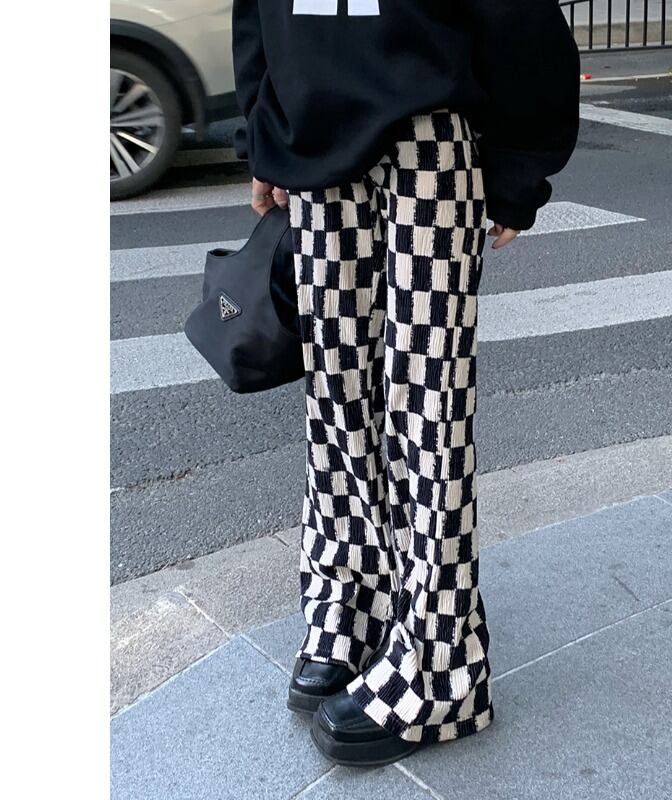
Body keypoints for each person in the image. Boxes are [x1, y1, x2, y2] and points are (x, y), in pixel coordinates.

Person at [231, 0, 579, 766]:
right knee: (336, 395)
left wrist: (518, 165)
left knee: (427, 408)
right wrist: (263, 125)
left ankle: (444, 665)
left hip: (429, 130)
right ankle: (350, 597)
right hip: (313, 128)